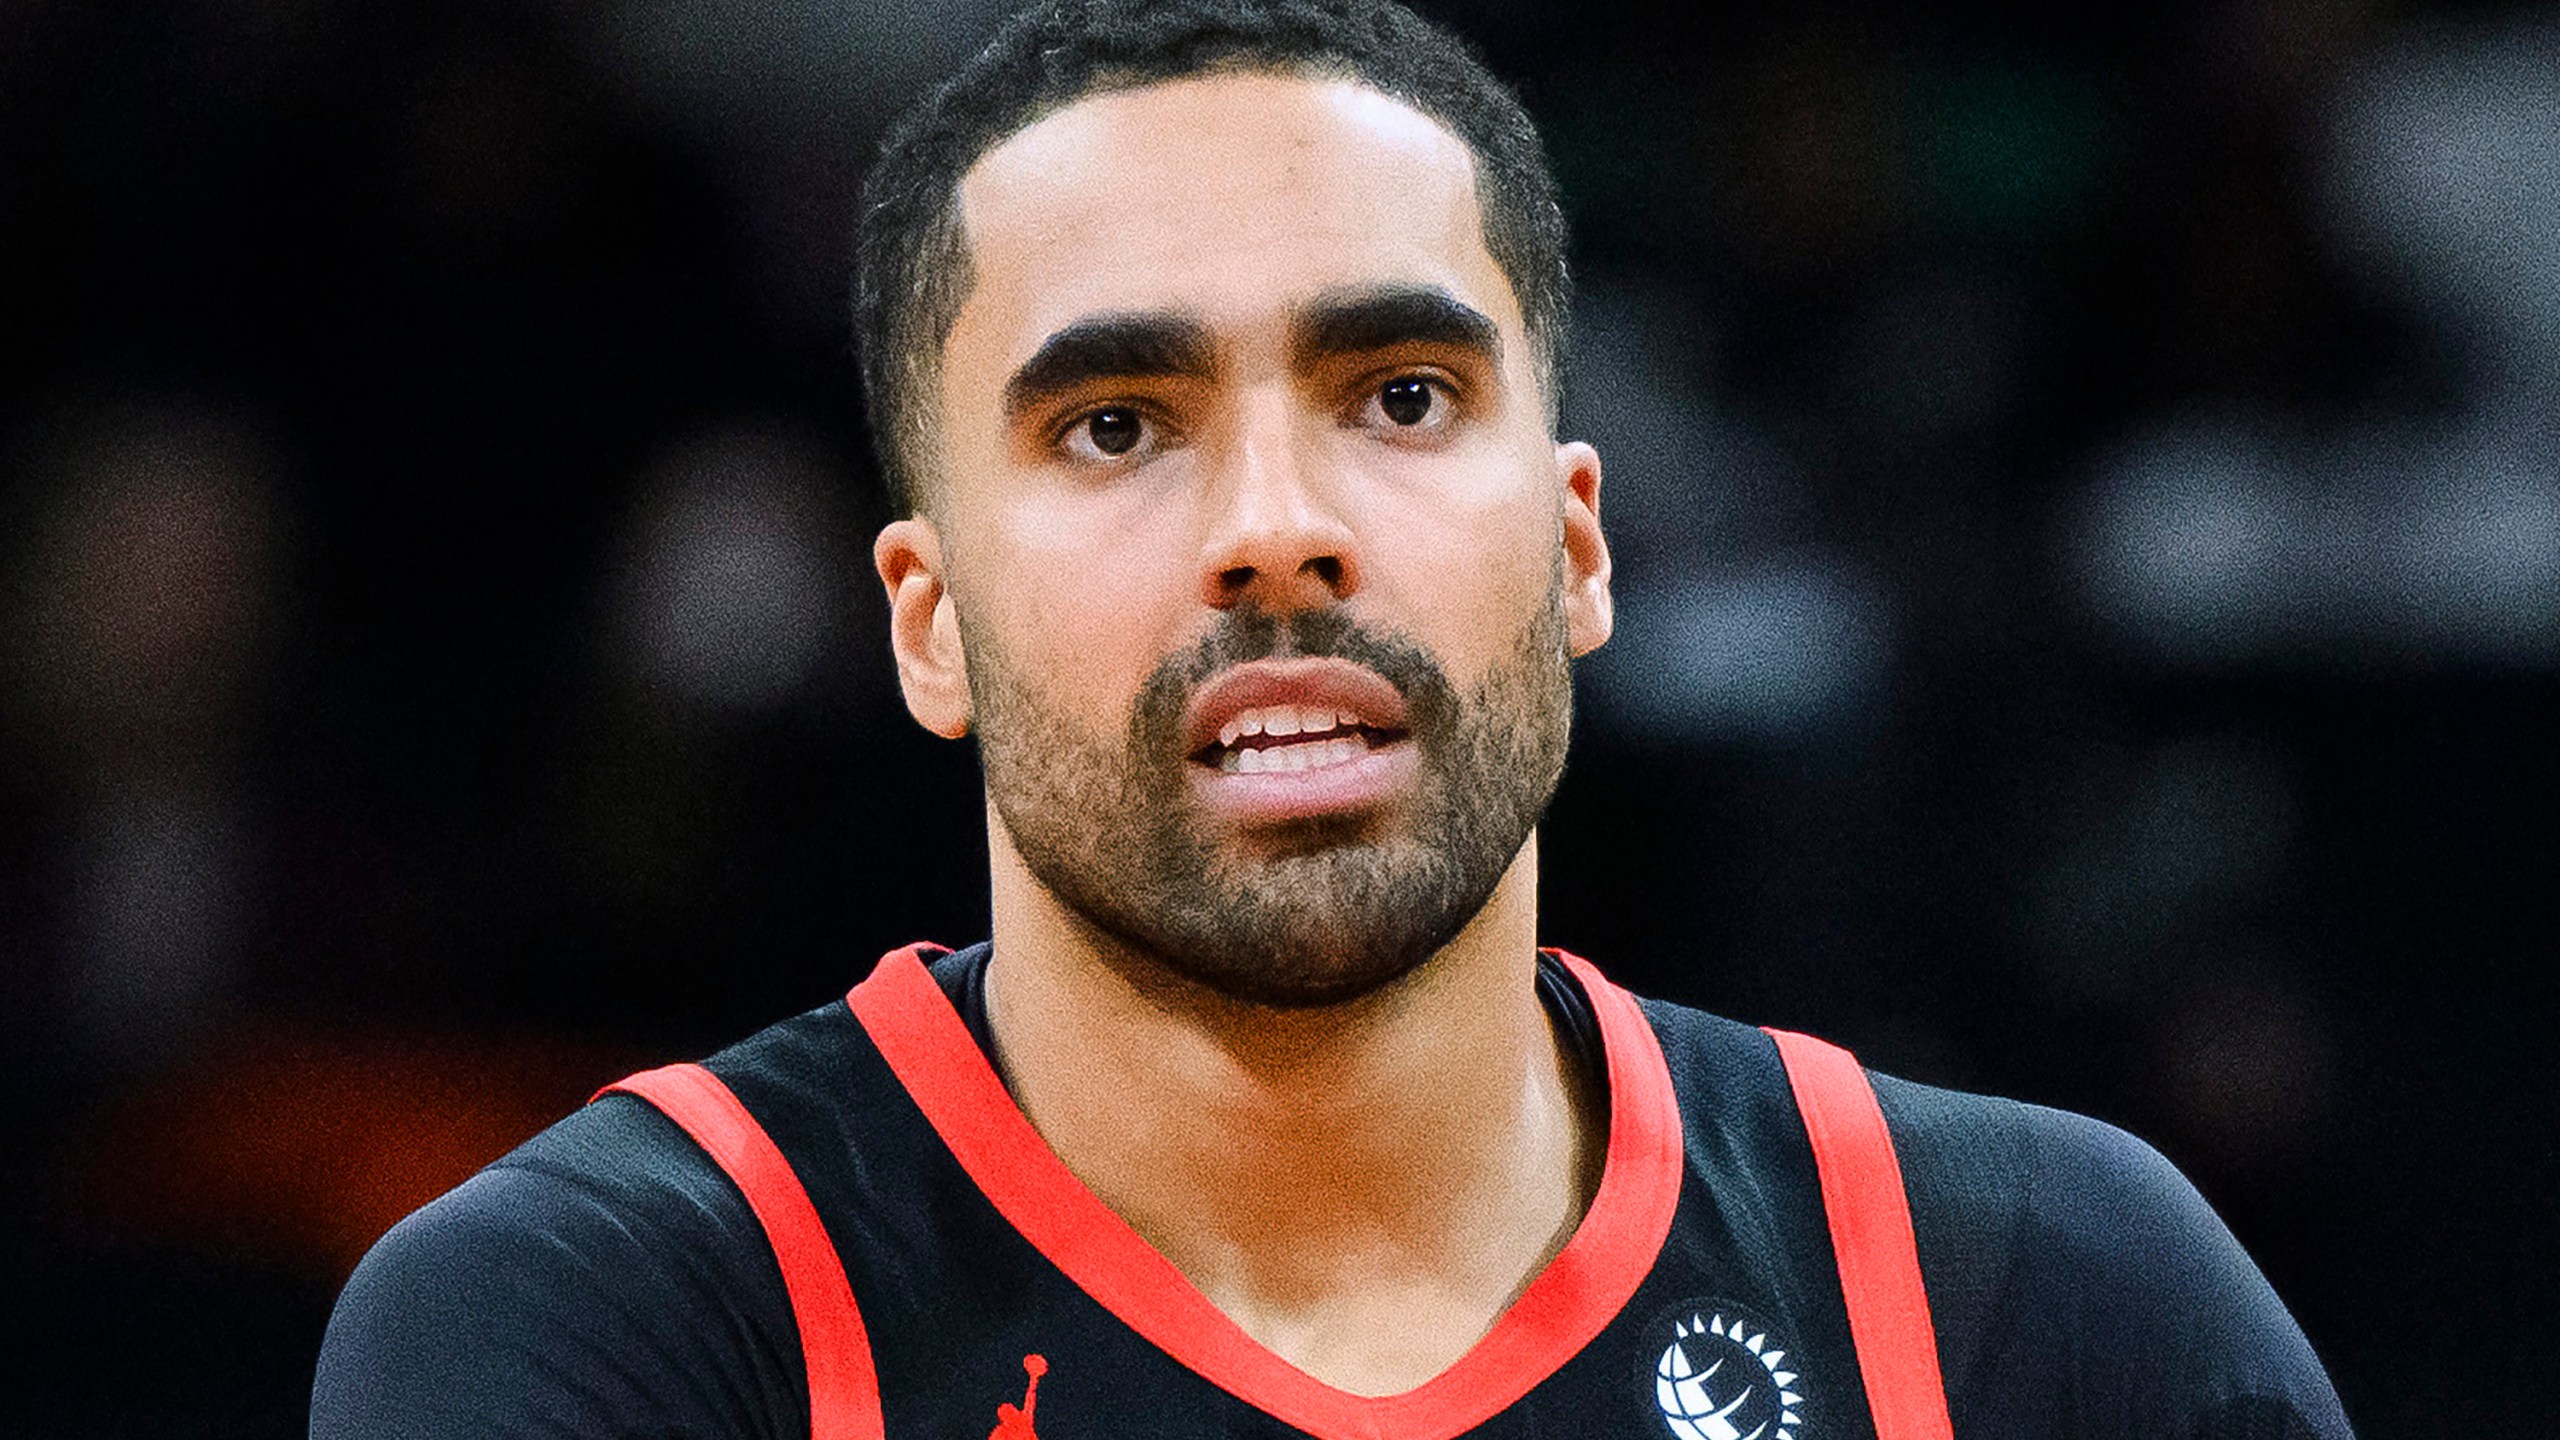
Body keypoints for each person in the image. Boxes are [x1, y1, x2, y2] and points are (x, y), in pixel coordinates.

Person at [310, 1, 2353, 1436]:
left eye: (1398, 397)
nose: (1275, 533)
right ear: (926, 627)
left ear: (1574, 546)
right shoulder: (627, 1320)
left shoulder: (2041, 1296)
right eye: (1117, 426)